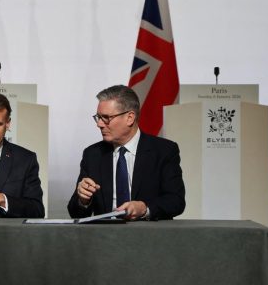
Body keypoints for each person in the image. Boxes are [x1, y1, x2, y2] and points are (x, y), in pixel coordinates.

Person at [67, 85, 185, 220]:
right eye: (98, 117)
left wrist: (145, 209)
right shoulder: (93, 154)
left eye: (106, 118)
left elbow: (176, 201)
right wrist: (83, 200)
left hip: (148, 231)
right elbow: (76, 214)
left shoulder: (164, 151)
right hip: (105, 232)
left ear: (130, 118)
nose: (99, 124)